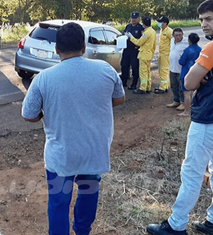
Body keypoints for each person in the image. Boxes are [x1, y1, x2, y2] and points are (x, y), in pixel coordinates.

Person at [147, 0, 213, 235]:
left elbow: (189, 83)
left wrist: (200, 76)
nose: (204, 24)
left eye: (209, 19)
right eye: (201, 19)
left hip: (210, 118)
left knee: (192, 171)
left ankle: (176, 224)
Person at [22, 22, 125, 235]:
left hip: (61, 154)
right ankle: (82, 230)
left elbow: (28, 116)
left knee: (59, 202)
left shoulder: (43, 78)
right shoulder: (105, 69)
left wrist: (47, 112)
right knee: (88, 194)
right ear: (84, 47)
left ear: (57, 49)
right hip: (93, 151)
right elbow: (119, 99)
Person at [128, 16, 156, 94]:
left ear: (143, 23)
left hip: (144, 54)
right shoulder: (152, 31)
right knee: (147, 72)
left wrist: (131, 37)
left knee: (143, 72)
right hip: (149, 54)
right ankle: (148, 86)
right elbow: (154, 45)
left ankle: (143, 88)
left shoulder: (146, 33)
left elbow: (139, 42)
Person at [177, 33, 201, 117]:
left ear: (189, 40)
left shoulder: (187, 50)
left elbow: (181, 62)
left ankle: (187, 111)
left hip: (186, 72)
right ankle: (194, 109)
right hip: (197, 72)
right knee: (193, 92)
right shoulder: (200, 49)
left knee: (187, 93)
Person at [120, 12, 144, 90]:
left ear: (138, 18)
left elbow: (142, 40)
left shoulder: (140, 28)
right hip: (126, 49)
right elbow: (124, 34)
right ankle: (124, 82)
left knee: (135, 67)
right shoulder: (128, 26)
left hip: (135, 50)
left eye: (135, 18)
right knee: (124, 66)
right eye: (132, 18)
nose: (133, 19)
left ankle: (134, 84)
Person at [166, 28, 187, 110]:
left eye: (180, 35)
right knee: (173, 85)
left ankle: (183, 102)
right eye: (176, 35)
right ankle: (176, 100)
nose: (178, 37)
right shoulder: (172, 41)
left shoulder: (186, 42)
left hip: (181, 69)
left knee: (182, 86)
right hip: (172, 67)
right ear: (173, 35)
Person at [156, 16, 173, 94]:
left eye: (161, 22)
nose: (159, 23)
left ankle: (163, 88)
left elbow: (174, 41)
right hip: (161, 53)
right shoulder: (161, 30)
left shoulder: (169, 31)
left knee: (164, 70)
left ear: (165, 23)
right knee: (160, 70)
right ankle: (164, 86)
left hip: (166, 54)